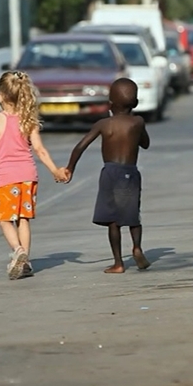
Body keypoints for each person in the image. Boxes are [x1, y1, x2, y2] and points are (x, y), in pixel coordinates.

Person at [0, 70, 68, 280]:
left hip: (6, 177)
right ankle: (26, 262)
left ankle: (18, 250)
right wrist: (55, 170)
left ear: (0, 95)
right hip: (28, 176)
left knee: (4, 218)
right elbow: (39, 150)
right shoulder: (27, 119)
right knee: (23, 219)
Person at [64, 78, 151, 274]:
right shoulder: (137, 122)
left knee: (113, 220)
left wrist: (70, 167)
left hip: (110, 173)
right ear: (135, 104)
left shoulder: (104, 124)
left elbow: (81, 146)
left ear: (110, 104)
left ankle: (119, 263)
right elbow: (145, 144)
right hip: (130, 173)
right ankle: (137, 247)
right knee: (133, 215)